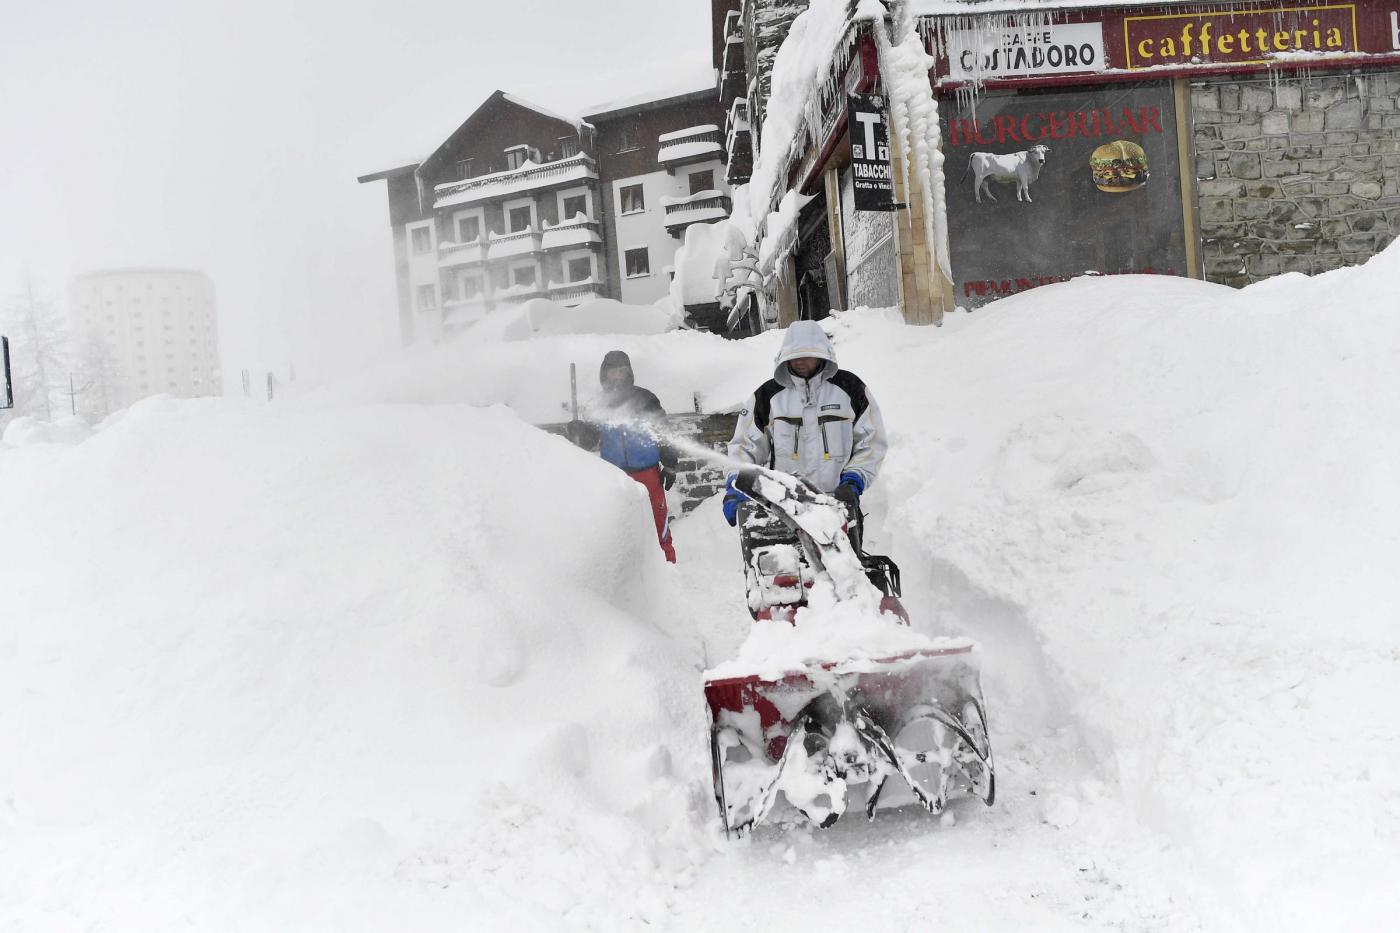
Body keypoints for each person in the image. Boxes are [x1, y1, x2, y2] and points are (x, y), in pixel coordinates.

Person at [723, 319, 886, 527]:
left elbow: (871, 442)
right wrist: (736, 484)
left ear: (821, 354)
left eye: (806, 355)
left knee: (842, 561)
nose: (799, 361)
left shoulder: (850, 389)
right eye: (793, 356)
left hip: (838, 509)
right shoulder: (768, 397)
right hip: (785, 511)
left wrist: (855, 480)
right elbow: (745, 447)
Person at [568, 350, 678, 562]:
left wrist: (671, 465)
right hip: (614, 477)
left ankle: (668, 570)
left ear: (629, 373)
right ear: (605, 374)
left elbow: (664, 432)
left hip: (648, 475)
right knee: (620, 531)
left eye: (621, 371)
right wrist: (578, 431)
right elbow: (590, 441)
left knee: (659, 527)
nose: (618, 376)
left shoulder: (645, 398)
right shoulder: (597, 404)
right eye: (613, 372)